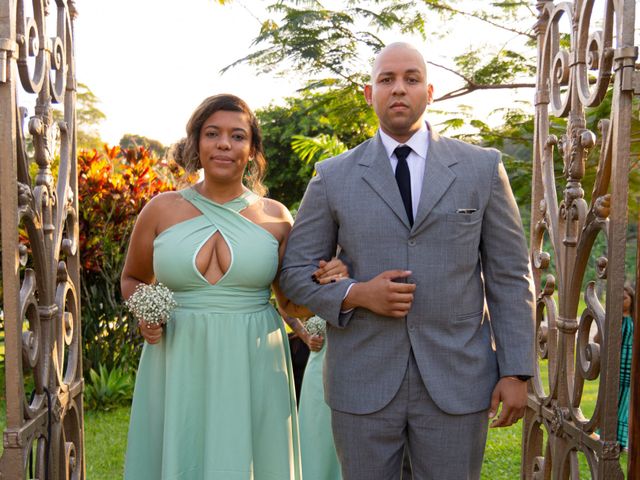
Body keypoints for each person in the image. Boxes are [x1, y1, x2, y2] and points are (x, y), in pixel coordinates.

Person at [280, 42, 536, 479]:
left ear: (430, 91)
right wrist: (358, 294)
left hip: (457, 380)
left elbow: (509, 276)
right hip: (362, 382)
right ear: (369, 93)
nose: (399, 89)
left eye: (411, 79)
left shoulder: (481, 168)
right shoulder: (333, 176)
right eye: (387, 80)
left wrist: (517, 371)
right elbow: (293, 275)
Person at [121, 94, 344, 480]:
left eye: (237, 136)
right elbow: (133, 278)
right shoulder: (160, 209)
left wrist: (328, 278)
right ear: (195, 143)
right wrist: (146, 311)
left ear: (252, 149)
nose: (224, 144)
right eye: (212, 134)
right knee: (182, 450)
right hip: (177, 357)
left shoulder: (276, 217)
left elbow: (291, 302)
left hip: (254, 358)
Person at [618, 284, 635, 449]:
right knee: (612, 400)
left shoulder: (634, 320)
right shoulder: (616, 320)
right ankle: (606, 434)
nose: (621, 301)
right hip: (616, 366)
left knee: (624, 402)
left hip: (630, 368)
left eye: (624, 298)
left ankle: (621, 441)